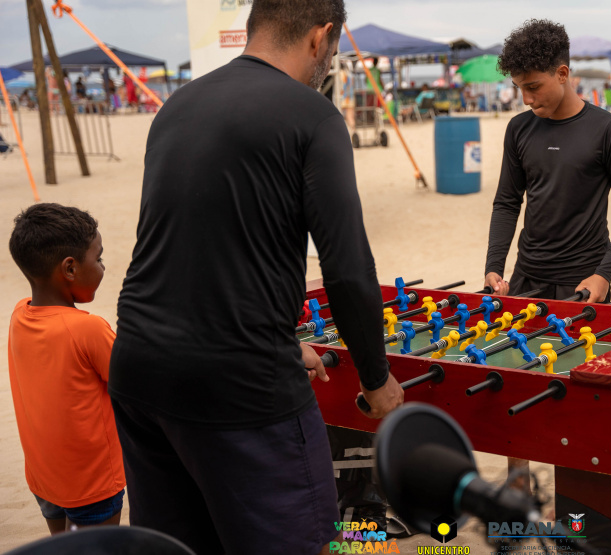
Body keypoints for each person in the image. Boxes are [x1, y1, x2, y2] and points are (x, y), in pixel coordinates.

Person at [107, 0, 404, 553]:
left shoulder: (177, 104)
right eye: (332, 49)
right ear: (320, 37)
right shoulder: (314, 115)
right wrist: (375, 378)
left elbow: (194, 247)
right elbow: (346, 268)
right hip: (240, 385)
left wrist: (282, 342)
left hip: (139, 368)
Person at [483, 19, 611, 490]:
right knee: (514, 384)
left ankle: (578, 503)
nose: (525, 98)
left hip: (583, 284)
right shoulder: (519, 129)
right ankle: (518, 492)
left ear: (562, 73)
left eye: (533, 87)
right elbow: (506, 202)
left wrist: (603, 274)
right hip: (526, 277)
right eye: (519, 88)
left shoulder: (609, 130)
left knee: (581, 398)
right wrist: (494, 266)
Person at [7, 203, 125, 535]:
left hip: (44, 479)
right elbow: (134, 385)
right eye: (99, 258)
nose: (103, 266)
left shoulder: (19, 315)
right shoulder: (88, 329)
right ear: (70, 268)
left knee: (62, 546)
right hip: (91, 483)